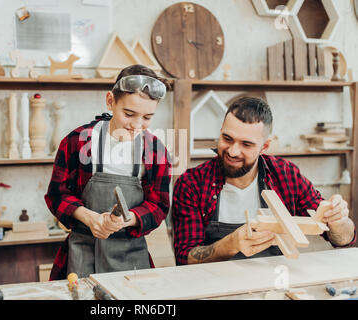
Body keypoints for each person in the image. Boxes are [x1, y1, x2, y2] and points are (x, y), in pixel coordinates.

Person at [172, 96, 356, 265]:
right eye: (227, 139)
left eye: (246, 144)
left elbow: (344, 239)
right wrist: (230, 244)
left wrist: (339, 222)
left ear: (264, 147)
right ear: (220, 133)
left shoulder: (286, 175)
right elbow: (184, 257)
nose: (233, 151)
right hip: (214, 286)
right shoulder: (192, 183)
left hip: (274, 282)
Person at [45, 64, 172, 280]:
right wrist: (89, 218)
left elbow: (159, 205)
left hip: (131, 258)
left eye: (147, 117)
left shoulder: (155, 150)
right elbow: (57, 195)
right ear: (110, 101)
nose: (137, 125)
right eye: (129, 114)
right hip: (82, 253)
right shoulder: (77, 142)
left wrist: (129, 218)